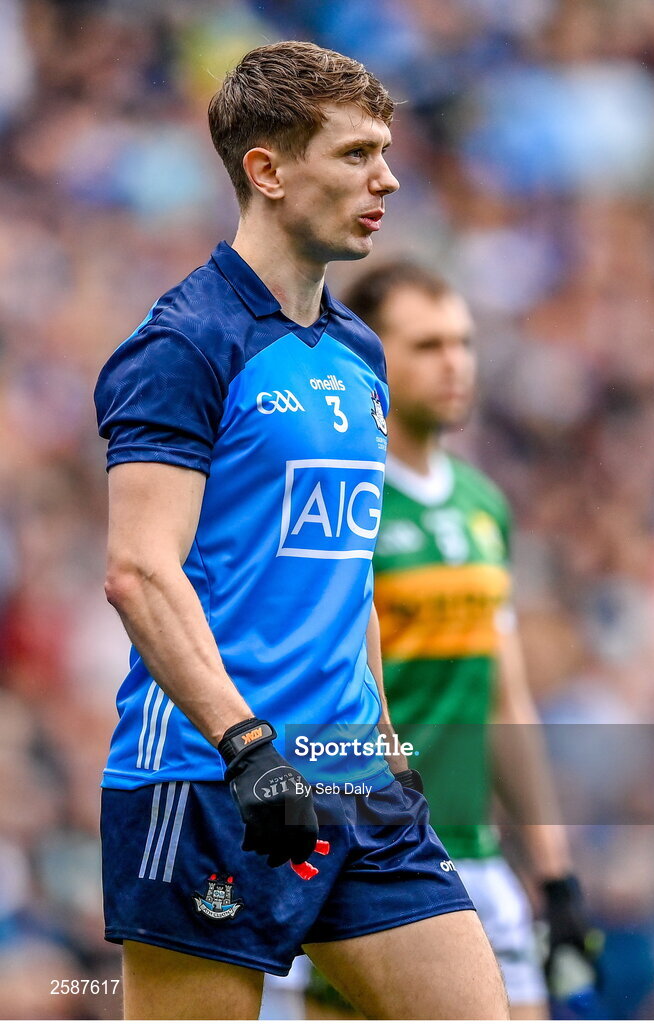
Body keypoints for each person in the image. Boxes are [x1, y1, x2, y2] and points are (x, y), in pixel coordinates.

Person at [94, 42, 508, 1021]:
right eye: (357, 153)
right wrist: (246, 746)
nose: (388, 178)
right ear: (268, 171)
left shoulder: (360, 354)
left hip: (355, 781)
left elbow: (342, 574)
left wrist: (388, 749)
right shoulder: (185, 342)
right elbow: (139, 571)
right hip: (205, 781)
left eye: (386, 151)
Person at [342, 262, 596, 1020]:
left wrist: (554, 872)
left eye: (463, 343)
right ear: (370, 359)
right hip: (366, 849)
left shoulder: (484, 505)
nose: (454, 363)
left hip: (474, 852)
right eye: (425, 346)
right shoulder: (343, 498)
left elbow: (505, 698)